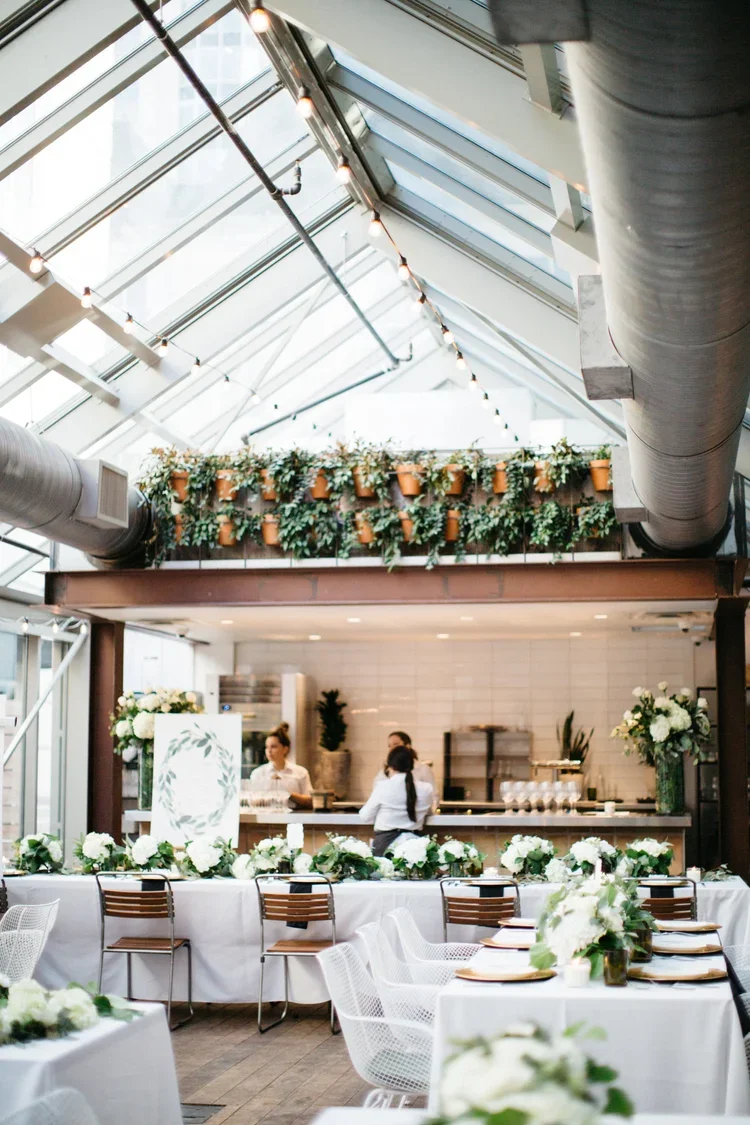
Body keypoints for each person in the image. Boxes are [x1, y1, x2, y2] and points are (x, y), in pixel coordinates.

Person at [359, 745, 435, 856]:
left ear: (389, 766)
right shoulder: (426, 789)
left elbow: (365, 817)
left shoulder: (382, 786)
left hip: (385, 847)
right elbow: (428, 812)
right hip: (416, 849)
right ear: (412, 765)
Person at [247, 722, 312, 809]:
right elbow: (250, 801)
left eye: (273, 747)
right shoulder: (258, 773)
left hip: (294, 818)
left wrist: (288, 793)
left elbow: (310, 800)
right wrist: (269, 787)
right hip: (265, 818)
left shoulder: (300, 772)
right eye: (267, 747)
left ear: (285, 749)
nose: (269, 751)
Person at [373, 731, 437, 791]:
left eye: (395, 744)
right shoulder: (384, 772)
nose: (391, 749)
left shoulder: (424, 769)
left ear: (407, 746)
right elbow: (376, 792)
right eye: (389, 746)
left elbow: (434, 796)